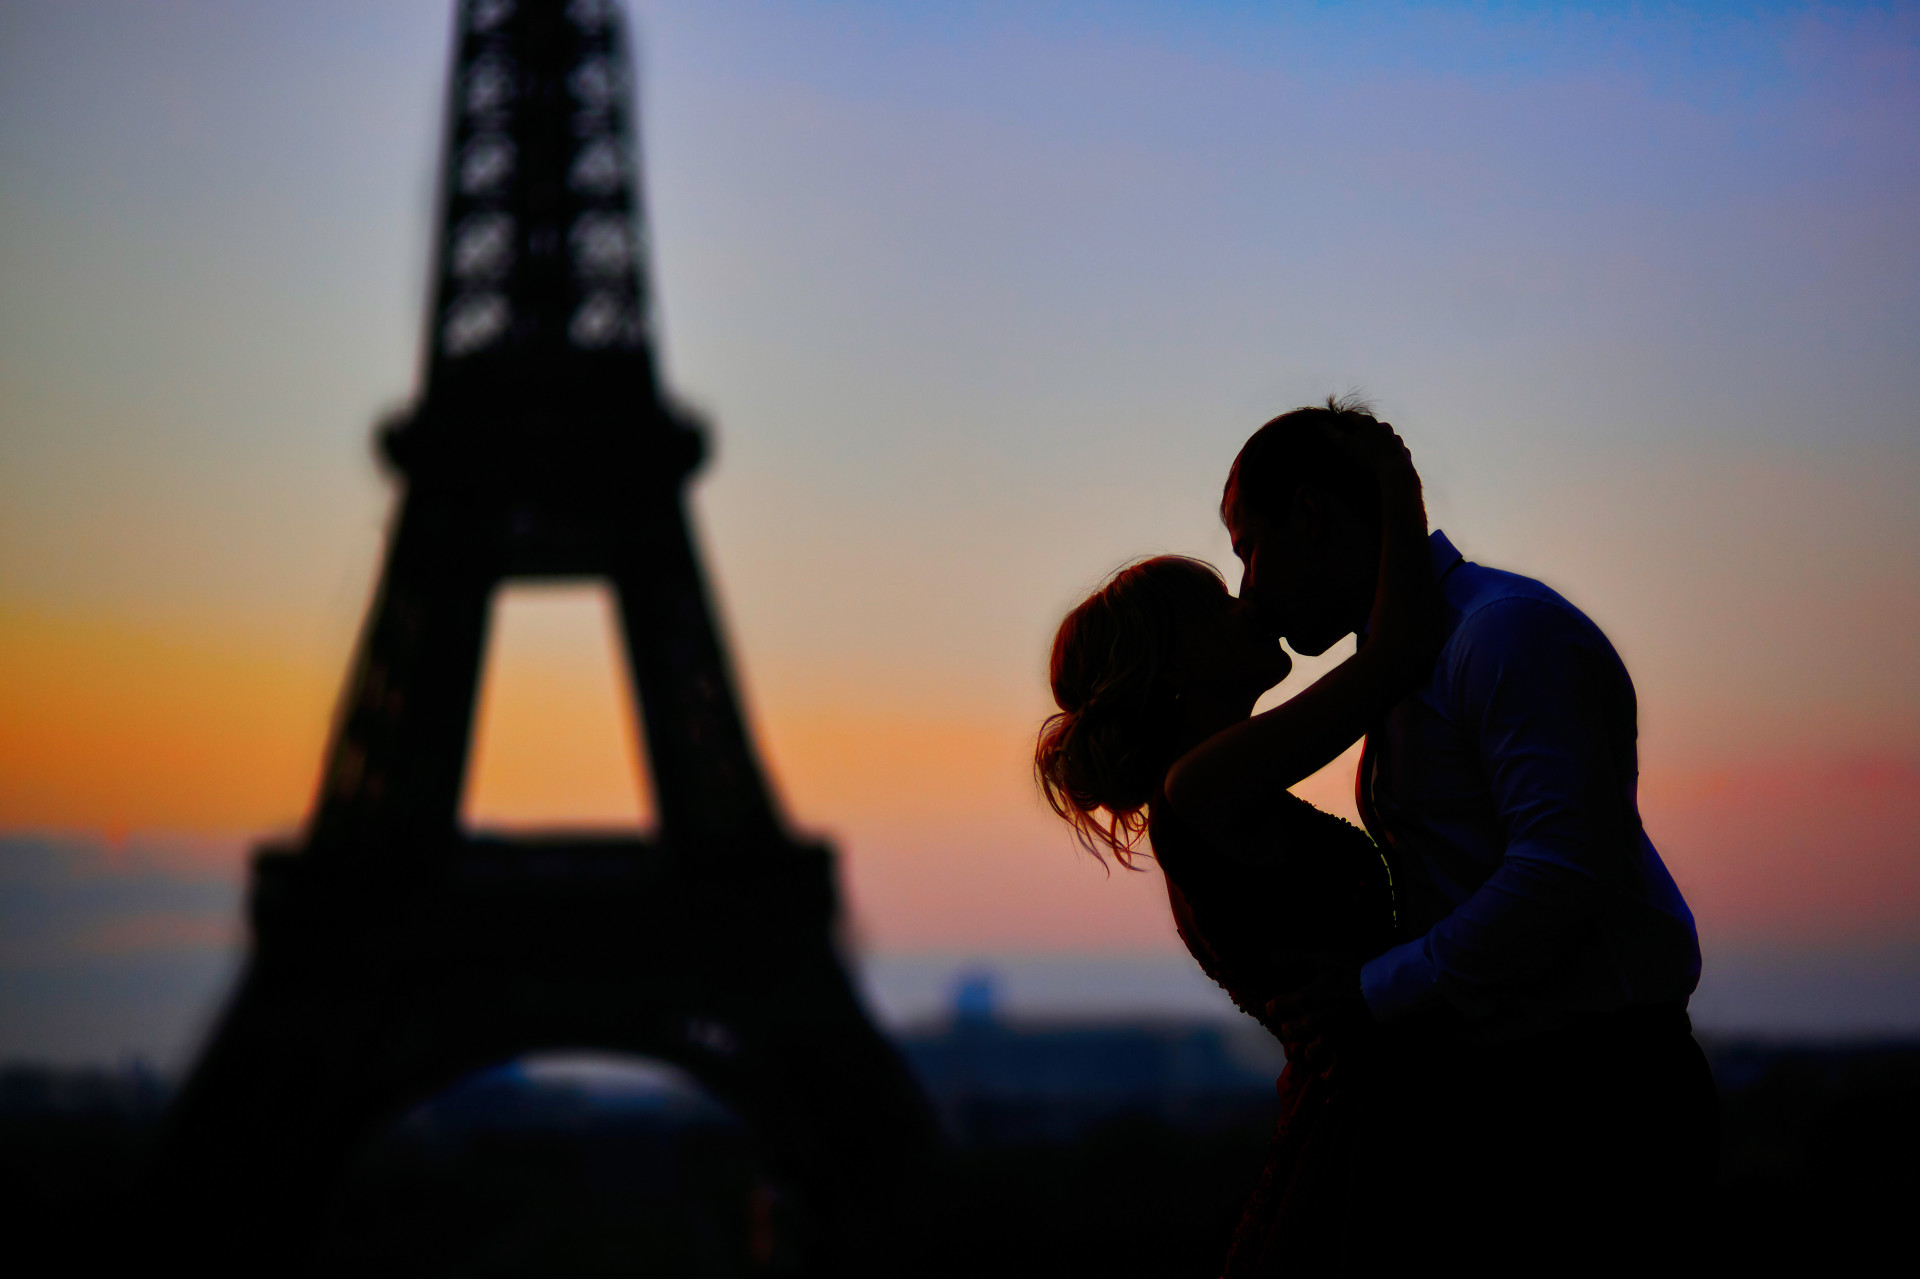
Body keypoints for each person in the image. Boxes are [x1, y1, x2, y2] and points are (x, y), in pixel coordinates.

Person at [1226, 397, 1717, 1263]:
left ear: (1309, 513)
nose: (1247, 589)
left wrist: (1373, 990)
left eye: (1247, 547)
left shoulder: (1503, 636)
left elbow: (1562, 871)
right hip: (1517, 1099)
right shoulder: (1414, 658)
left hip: (1599, 1102)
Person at [1036, 415, 1440, 1270]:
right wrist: (1393, 481)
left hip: (1358, 1127)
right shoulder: (1199, 791)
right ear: (1174, 668)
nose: (1250, 600)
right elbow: (1400, 650)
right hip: (1376, 1147)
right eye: (1220, 602)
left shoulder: (1205, 796)